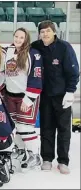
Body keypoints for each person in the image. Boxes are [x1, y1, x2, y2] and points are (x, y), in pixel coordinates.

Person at [31, 20, 80, 174]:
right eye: (42, 31)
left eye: (48, 31)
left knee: (64, 130)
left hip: (62, 96)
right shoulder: (35, 46)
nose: (45, 34)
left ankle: (63, 161)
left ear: (54, 32)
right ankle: (46, 158)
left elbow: (73, 72)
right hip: (44, 96)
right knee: (46, 128)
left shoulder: (64, 47)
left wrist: (70, 92)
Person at [4, 28, 43, 169]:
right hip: (10, 96)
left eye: (22, 37)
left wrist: (29, 99)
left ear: (26, 39)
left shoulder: (33, 54)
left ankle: (35, 155)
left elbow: (36, 78)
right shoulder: (8, 50)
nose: (18, 39)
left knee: (25, 127)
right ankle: (21, 151)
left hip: (25, 97)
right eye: (16, 36)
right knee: (14, 126)